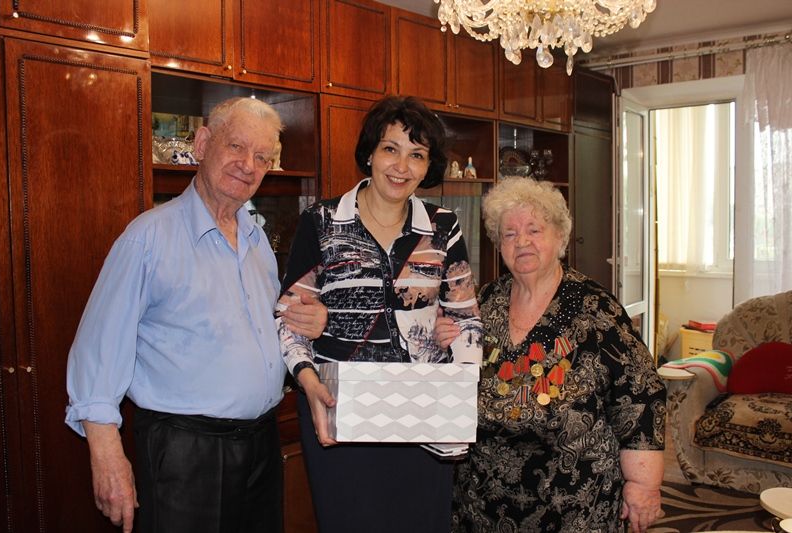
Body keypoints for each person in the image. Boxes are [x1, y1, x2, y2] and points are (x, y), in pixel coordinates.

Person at [65, 97, 327, 533]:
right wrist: (107, 455)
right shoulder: (148, 237)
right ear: (203, 144)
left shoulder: (256, 240)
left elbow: (265, 325)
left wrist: (307, 323)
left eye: (262, 157)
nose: (248, 165)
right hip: (186, 452)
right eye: (236, 147)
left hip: (260, 445)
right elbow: (97, 349)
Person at [276, 95, 484, 533]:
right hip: (341, 411)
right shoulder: (322, 221)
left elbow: (467, 320)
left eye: (417, 155)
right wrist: (308, 383)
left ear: (428, 167)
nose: (401, 166)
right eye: (391, 148)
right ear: (370, 152)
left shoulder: (443, 226)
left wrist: (460, 386)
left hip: (424, 415)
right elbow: (289, 320)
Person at [436, 177, 666, 533]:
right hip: (482, 501)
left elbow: (640, 396)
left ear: (560, 237)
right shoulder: (484, 302)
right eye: (509, 234)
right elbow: (455, 377)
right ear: (498, 245)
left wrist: (643, 485)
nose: (521, 241)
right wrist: (443, 342)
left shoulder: (596, 311)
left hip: (574, 504)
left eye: (534, 230)